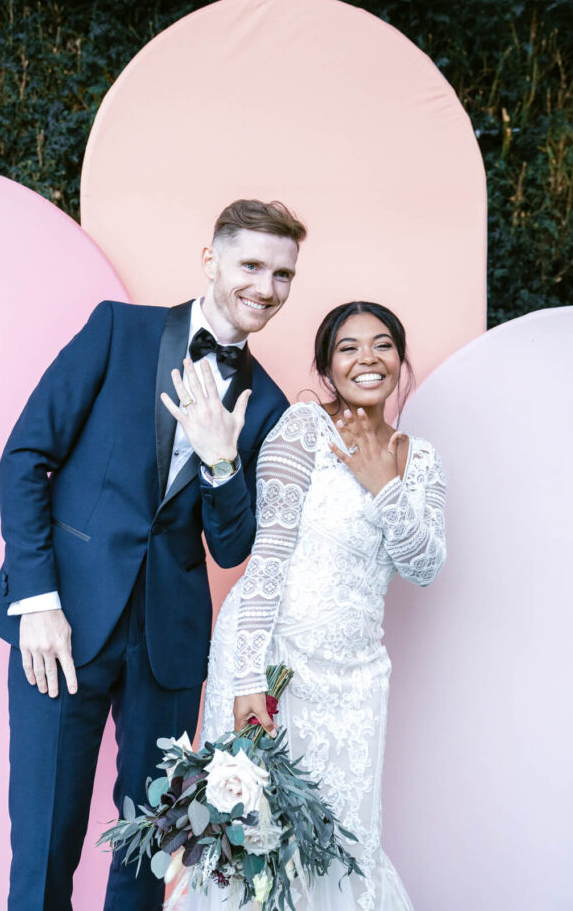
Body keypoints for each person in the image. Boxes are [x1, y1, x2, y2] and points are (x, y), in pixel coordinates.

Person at [0, 199, 308, 911]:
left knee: (150, 848)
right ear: (210, 260)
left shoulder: (270, 404)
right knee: (43, 843)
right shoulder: (117, 331)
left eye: (283, 274)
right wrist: (35, 600)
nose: (266, 287)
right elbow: (25, 455)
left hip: (169, 641)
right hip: (61, 623)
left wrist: (223, 463)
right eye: (251, 265)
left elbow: (232, 548)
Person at [186, 301, 446, 911]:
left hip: (357, 678)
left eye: (382, 344)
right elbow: (267, 557)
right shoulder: (303, 428)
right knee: (254, 844)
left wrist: (385, 483)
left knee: (343, 845)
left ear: (400, 360)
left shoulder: (421, 458)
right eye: (349, 347)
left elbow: (425, 566)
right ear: (328, 367)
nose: (367, 359)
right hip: (275, 658)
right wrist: (248, 677)